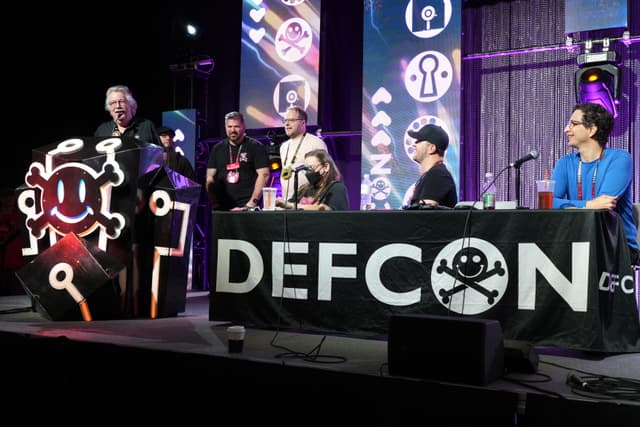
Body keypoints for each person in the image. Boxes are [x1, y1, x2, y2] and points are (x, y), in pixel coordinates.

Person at [551, 102, 638, 265]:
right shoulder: (565, 162)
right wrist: (588, 205)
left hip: (616, 246)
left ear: (592, 130)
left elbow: (604, 204)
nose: (566, 130)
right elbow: (549, 203)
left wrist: (567, 206)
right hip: (577, 241)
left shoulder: (619, 158)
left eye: (573, 124)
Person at [206, 111, 270, 211]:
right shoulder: (217, 149)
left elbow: (264, 175)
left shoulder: (255, 147)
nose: (233, 130)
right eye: (229, 126)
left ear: (244, 127)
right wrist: (215, 203)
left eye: (236, 126)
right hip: (223, 208)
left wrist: (251, 204)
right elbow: (210, 177)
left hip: (248, 207)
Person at [279, 106, 328, 201]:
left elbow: (325, 175)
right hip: (287, 203)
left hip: (307, 203)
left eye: (292, 120)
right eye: (285, 121)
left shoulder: (315, 143)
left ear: (303, 122)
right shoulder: (284, 147)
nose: (287, 124)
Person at [276, 149, 349, 211]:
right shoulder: (303, 189)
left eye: (310, 168)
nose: (308, 172)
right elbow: (288, 207)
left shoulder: (337, 188)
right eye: (306, 169)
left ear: (326, 167)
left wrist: (292, 206)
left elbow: (327, 210)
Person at [405, 123, 457, 208]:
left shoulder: (438, 175)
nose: (414, 144)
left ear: (431, 148)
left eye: (418, 141)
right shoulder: (431, 174)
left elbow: (424, 217)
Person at [94, 85, 159, 145]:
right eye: (113, 102)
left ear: (131, 104)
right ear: (109, 108)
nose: (117, 106)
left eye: (122, 101)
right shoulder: (102, 130)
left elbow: (161, 153)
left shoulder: (147, 125)